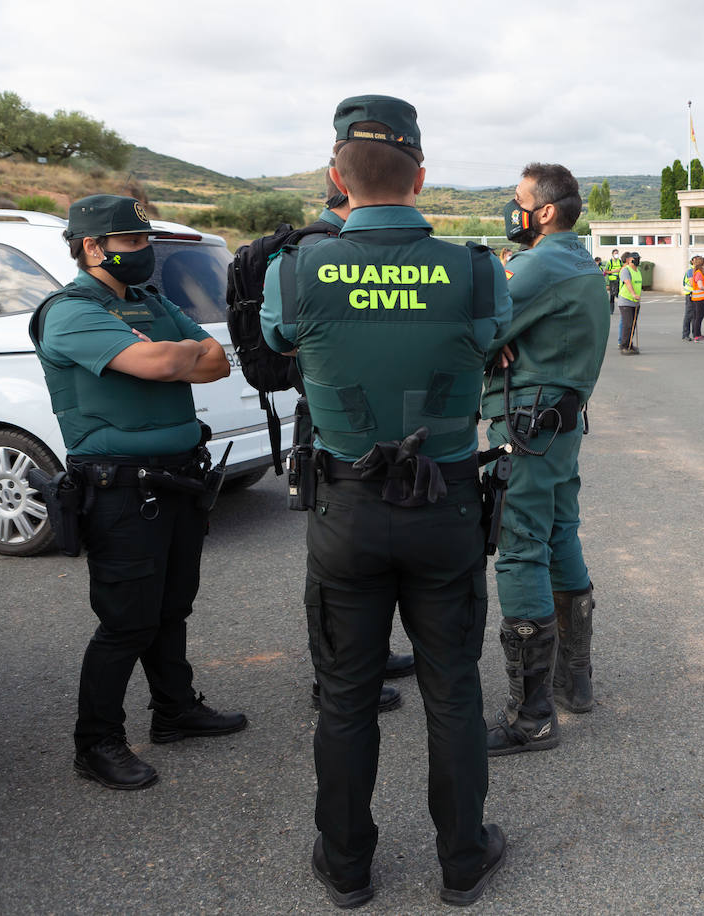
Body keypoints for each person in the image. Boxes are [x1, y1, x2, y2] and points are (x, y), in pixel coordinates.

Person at [261, 95, 509, 908]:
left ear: (337, 176)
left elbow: (275, 340)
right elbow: (490, 338)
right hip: (445, 505)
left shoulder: (296, 269)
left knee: (345, 698)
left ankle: (347, 865)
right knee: (454, 691)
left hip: (349, 509)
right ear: (422, 176)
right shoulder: (475, 267)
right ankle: (463, 860)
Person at [31, 194, 244, 792]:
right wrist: (172, 357)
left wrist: (172, 357)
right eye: (131, 242)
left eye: (144, 240)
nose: (144, 252)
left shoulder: (146, 300)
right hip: (120, 487)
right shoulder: (70, 312)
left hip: (177, 477)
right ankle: (96, 742)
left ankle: (175, 710)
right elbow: (159, 363)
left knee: (172, 605)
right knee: (126, 621)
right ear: (92, 247)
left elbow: (214, 362)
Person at [479, 162, 609, 757]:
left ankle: (530, 716)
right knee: (560, 534)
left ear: (547, 212)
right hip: (562, 422)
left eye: (519, 200)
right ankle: (572, 682)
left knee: (521, 545)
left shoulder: (538, 263)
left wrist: (492, 338)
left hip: (528, 427)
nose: (513, 210)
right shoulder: (582, 259)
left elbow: (473, 331)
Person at [293, 165, 416, 715]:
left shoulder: (316, 252)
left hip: (345, 409)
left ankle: (370, 653)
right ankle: (335, 678)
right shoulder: (315, 251)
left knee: (354, 564)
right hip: (335, 416)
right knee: (337, 575)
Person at [617, 251, 641, 355]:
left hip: (635, 302)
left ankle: (629, 344)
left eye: (638, 258)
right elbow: (627, 283)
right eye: (636, 259)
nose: (638, 261)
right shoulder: (625, 270)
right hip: (626, 300)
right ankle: (624, 346)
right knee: (627, 324)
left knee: (632, 324)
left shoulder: (638, 271)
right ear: (630, 260)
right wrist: (633, 294)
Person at [688, 256, 704, 341]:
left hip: (700, 299)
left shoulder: (700, 273)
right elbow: (700, 286)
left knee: (699, 317)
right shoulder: (698, 273)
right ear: (701, 264)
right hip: (699, 299)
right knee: (698, 317)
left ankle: (698, 334)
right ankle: (697, 335)